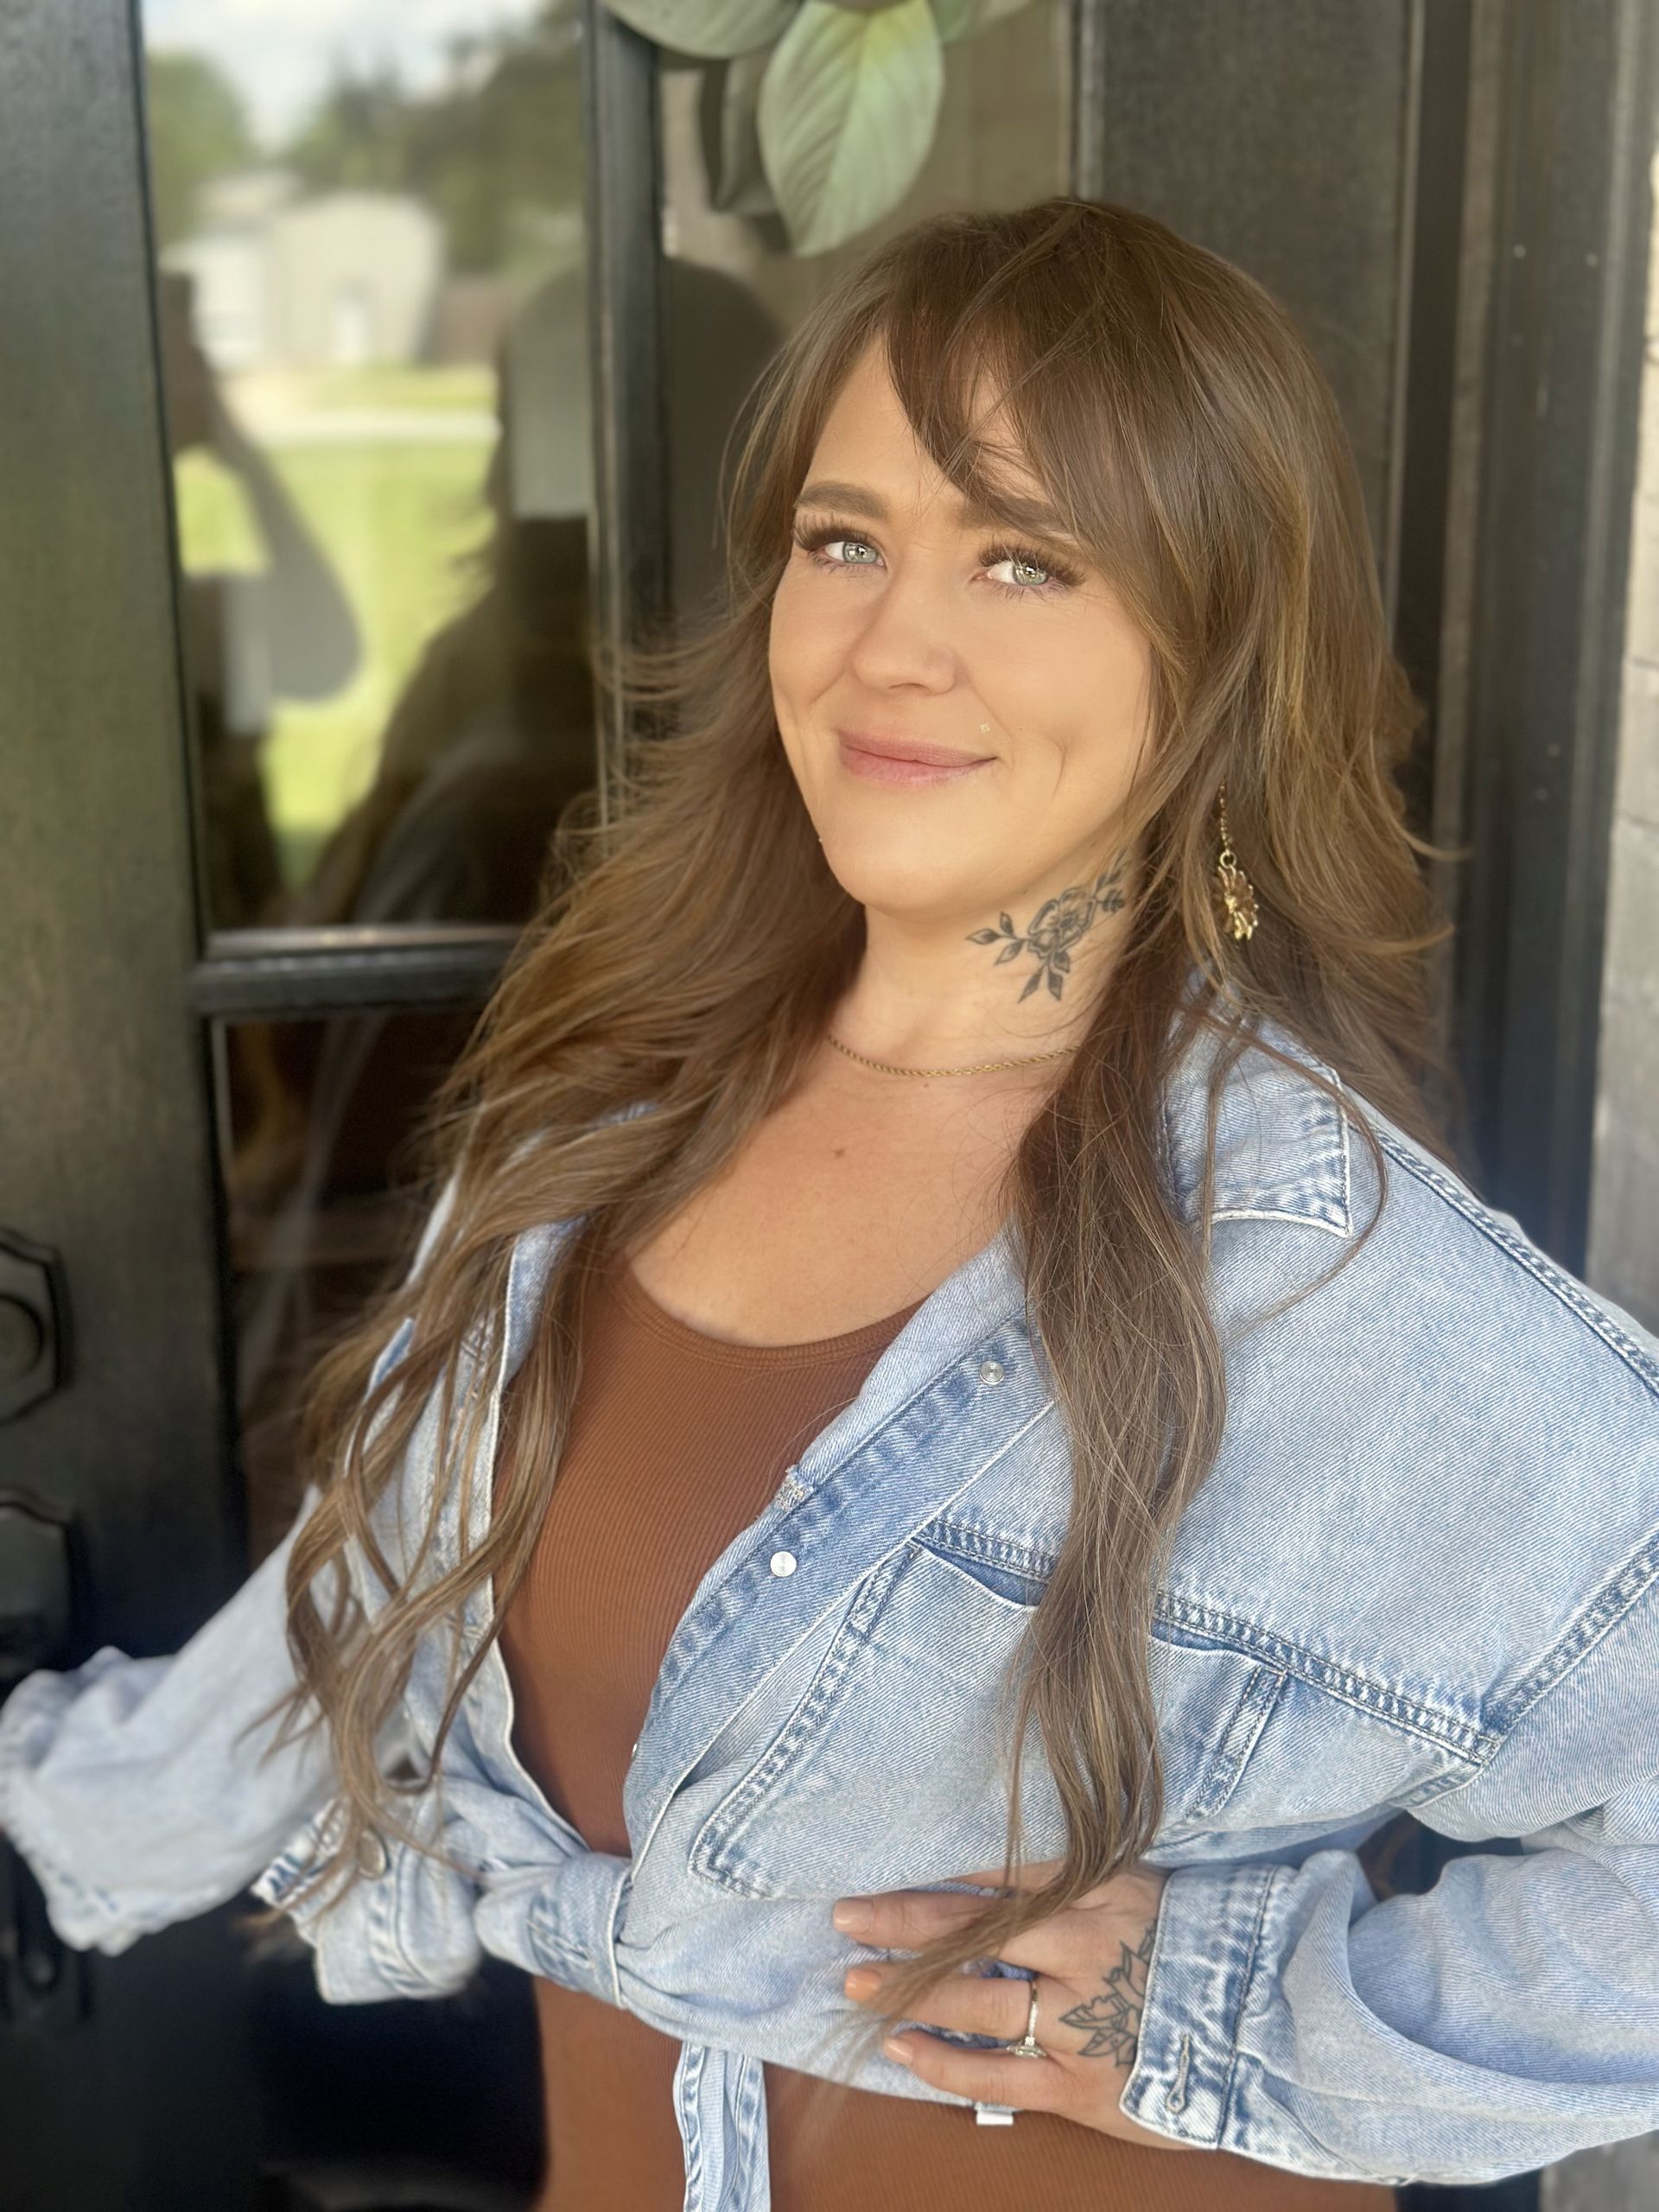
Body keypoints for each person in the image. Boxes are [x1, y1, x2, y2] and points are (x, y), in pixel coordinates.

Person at [3, 195, 1659, 2212]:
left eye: (1025, 557)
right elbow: (367, 1602)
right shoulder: (601, 1124)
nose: (892, 641)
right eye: (845, 537)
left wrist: (1233, 2018)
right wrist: (72, 1812)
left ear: (1214, 647)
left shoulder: (1313, 1270)